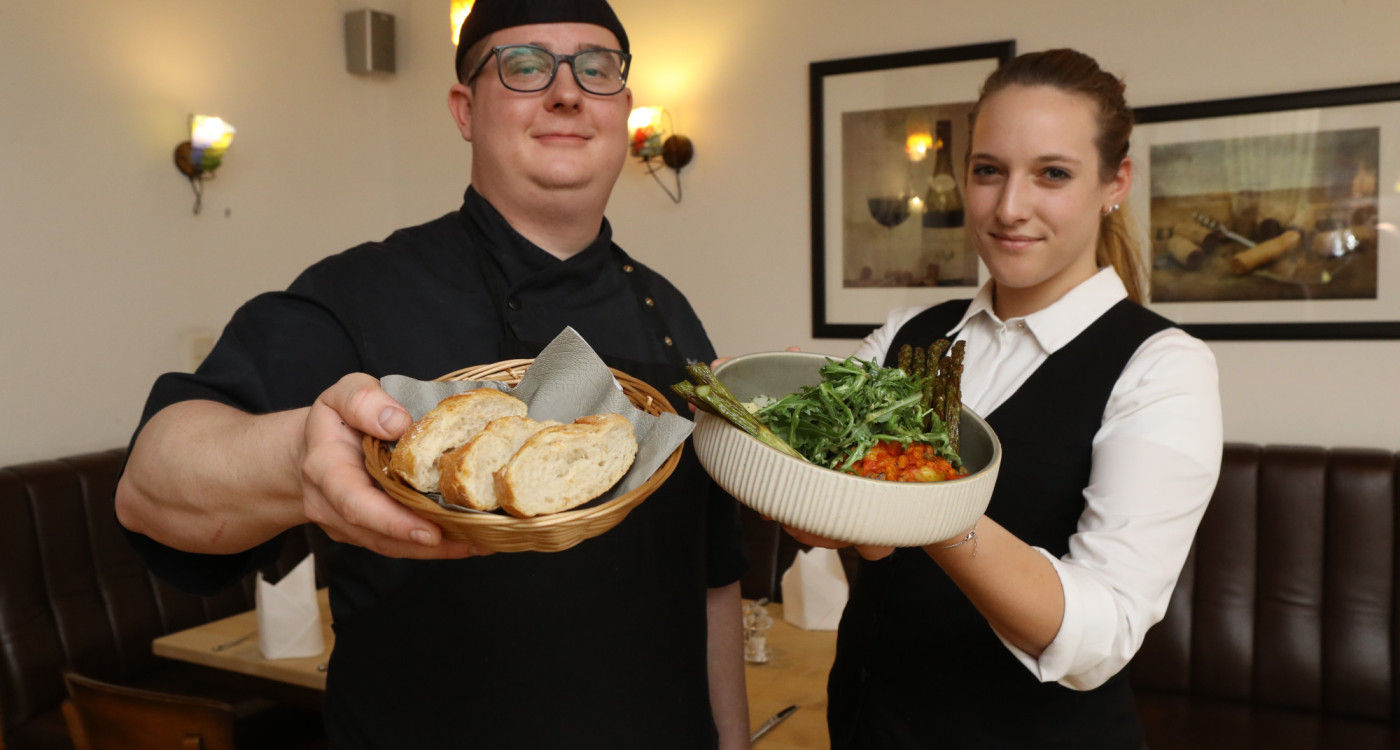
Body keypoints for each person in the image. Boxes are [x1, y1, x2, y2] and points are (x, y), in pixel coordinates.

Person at [113, 1, 751, 747]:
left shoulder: (668, 309)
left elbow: (713, 582)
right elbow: (149, 485)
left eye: (597, 66)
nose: (568, 91)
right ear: (465, 109)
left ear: (623, 108)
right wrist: (297, 459)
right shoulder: (359, 292)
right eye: (524, 65)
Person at [792, 49, 1223, 748]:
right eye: (988, 171)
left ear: (1116, 182)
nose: (1009, 207)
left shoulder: (1162, 367)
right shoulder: (911, 333)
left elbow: (1100, 639)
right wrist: (774, 428)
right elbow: (820, 517)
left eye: (1052, 174)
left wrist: (924, 498)